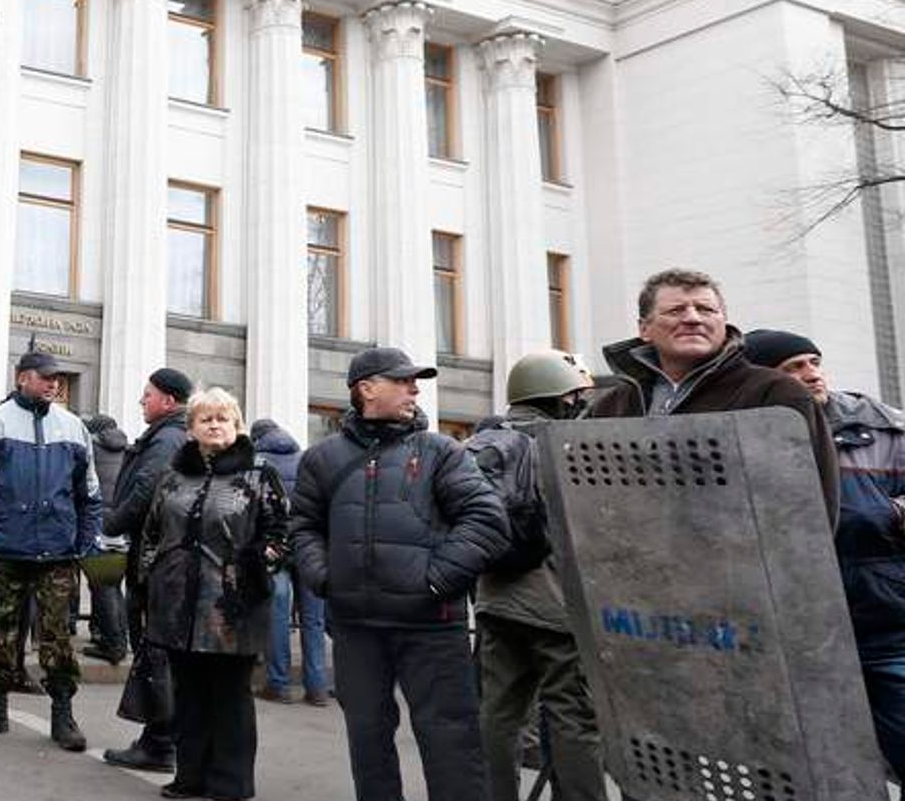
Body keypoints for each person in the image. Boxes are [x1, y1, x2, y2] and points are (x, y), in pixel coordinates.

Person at [290, 346, 509, 801]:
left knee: (451, 741)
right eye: (402, 380)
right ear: (367, 389)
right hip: (356, 627)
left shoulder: (441, 452)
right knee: (367, 740)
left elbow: (486, 519)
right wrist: (325, 578)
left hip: (432, 625)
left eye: (415, 382)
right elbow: (303, 527)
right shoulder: (322, 458)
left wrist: (435, 580)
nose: (414, 389)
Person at [743, 328, 905, 778]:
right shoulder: (749, 432)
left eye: (813, 362)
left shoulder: (881, 423)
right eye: (792, 368)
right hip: (798, 634)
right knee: (824, 769)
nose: (811, 374)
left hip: (887, 620)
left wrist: (890, 512)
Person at [586, 268, 838, 522]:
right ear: (644, 329)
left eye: (706, 310)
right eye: (676, 310)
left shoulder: (776, 393)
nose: (693, 318)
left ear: (723, 321)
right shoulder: (612, 406)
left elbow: (813, 502)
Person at [466, 350, 605, 801]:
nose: (578, 403)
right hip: (556, 606)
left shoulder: (481, 445)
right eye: (573, 395)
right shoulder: (567, 446)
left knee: (497, 714)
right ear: (556, 396)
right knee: (572, 717)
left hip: (494, 600)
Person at [141, 387, 288, 801]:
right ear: (190, 428)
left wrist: (254, 568)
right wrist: (154, 577)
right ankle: (190, 777)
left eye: (223, 418)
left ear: (237, 425)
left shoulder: (259, 474)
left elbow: (281, 534)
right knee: (188, 695)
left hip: (231, 608)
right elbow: (152, 532)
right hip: (176, 607)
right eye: (205, 418)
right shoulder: (173, 475)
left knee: (230, 697)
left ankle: (231, 784)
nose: (214, 424)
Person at [0, 349, 102, 752]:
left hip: (56, 552)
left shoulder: (73, 428)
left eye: (57, 378)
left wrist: (86, 540)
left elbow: (89, 493)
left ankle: (63, 713)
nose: (54, 383)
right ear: (23, 378)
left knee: (57, 637)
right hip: (3, 549)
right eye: (45, 376)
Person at [102, 367, 193, 772]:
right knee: (155, 651)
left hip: (154, 559)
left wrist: (111, 523)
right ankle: (159, 739)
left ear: (168, 401)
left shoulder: (168, 437)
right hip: (155, 554)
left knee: (154, 651)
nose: (142, 401)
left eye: (148, 395)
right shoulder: (169, 434)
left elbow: (146, 489)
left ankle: (160, 744)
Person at [251, 416, 328, 707]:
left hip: (275, 549)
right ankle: (317, 688)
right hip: (310, 548)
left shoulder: (256, 464)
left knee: (278, 615)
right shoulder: (306, 460)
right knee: (314, 620)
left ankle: (279, 684)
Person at [79, 412, 130, 665]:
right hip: (122, 524)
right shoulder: (128, 451)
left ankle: (114, 644)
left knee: (103, 585)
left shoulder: (91, 449)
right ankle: (118, 637)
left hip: (98, 522)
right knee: (113, 584)